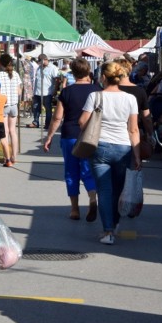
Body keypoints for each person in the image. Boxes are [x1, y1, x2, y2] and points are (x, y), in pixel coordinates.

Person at [78, 62, 140, 245]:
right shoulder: (130, 99)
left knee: (104, 190)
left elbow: (82, 122)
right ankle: (115, 222)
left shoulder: (95, 96)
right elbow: (134, 129)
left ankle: (108, 231)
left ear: (103, 77)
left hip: (100, 146)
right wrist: (137, 156)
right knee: (117, 189)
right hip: (123, 148)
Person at [44, 58, 99, 221]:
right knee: (88, 170)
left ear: (73, 73)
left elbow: (57, 118)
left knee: (71, 172)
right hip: (91, 135)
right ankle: (92, 198)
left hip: (70, 134)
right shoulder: (97, 90)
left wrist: (49, 136)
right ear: (88, 71)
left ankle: (74, 209)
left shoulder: (66, 92)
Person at [115, 57, 154, 146]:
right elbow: (146, 117)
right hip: (133, 133)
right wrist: (151, 134)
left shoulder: (108, 90)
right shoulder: (140, 91)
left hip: (111, 136)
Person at [0, 53, 21, 165]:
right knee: (13, 131)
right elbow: (19, 91)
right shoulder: (16, 74)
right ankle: (14, 155)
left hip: (3, 105)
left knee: (5, 132)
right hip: (14, 104)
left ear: (0, 63)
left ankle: (7, 157)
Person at [29, 53, 58, 129]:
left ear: (45, 60)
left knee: (48, 109)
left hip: (47, 93)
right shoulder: (39, 68)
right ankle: (35, 122)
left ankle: (47, 124)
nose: (38, 62)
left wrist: (55, 90)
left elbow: (56, 80)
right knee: (36, 108)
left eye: (40, 61)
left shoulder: (53, 68)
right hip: (37, 92)